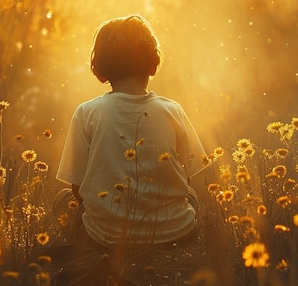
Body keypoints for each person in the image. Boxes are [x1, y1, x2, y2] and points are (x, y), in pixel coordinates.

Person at [55, 14, 206, 250]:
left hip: (106, 240)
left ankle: (89, 256)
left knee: (63, 201)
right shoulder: (172, 110)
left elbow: (77, 188)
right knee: (193, 196)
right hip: (175, 235)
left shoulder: (87, 112)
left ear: (100, 68)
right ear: (153, 63)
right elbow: (186, 178)